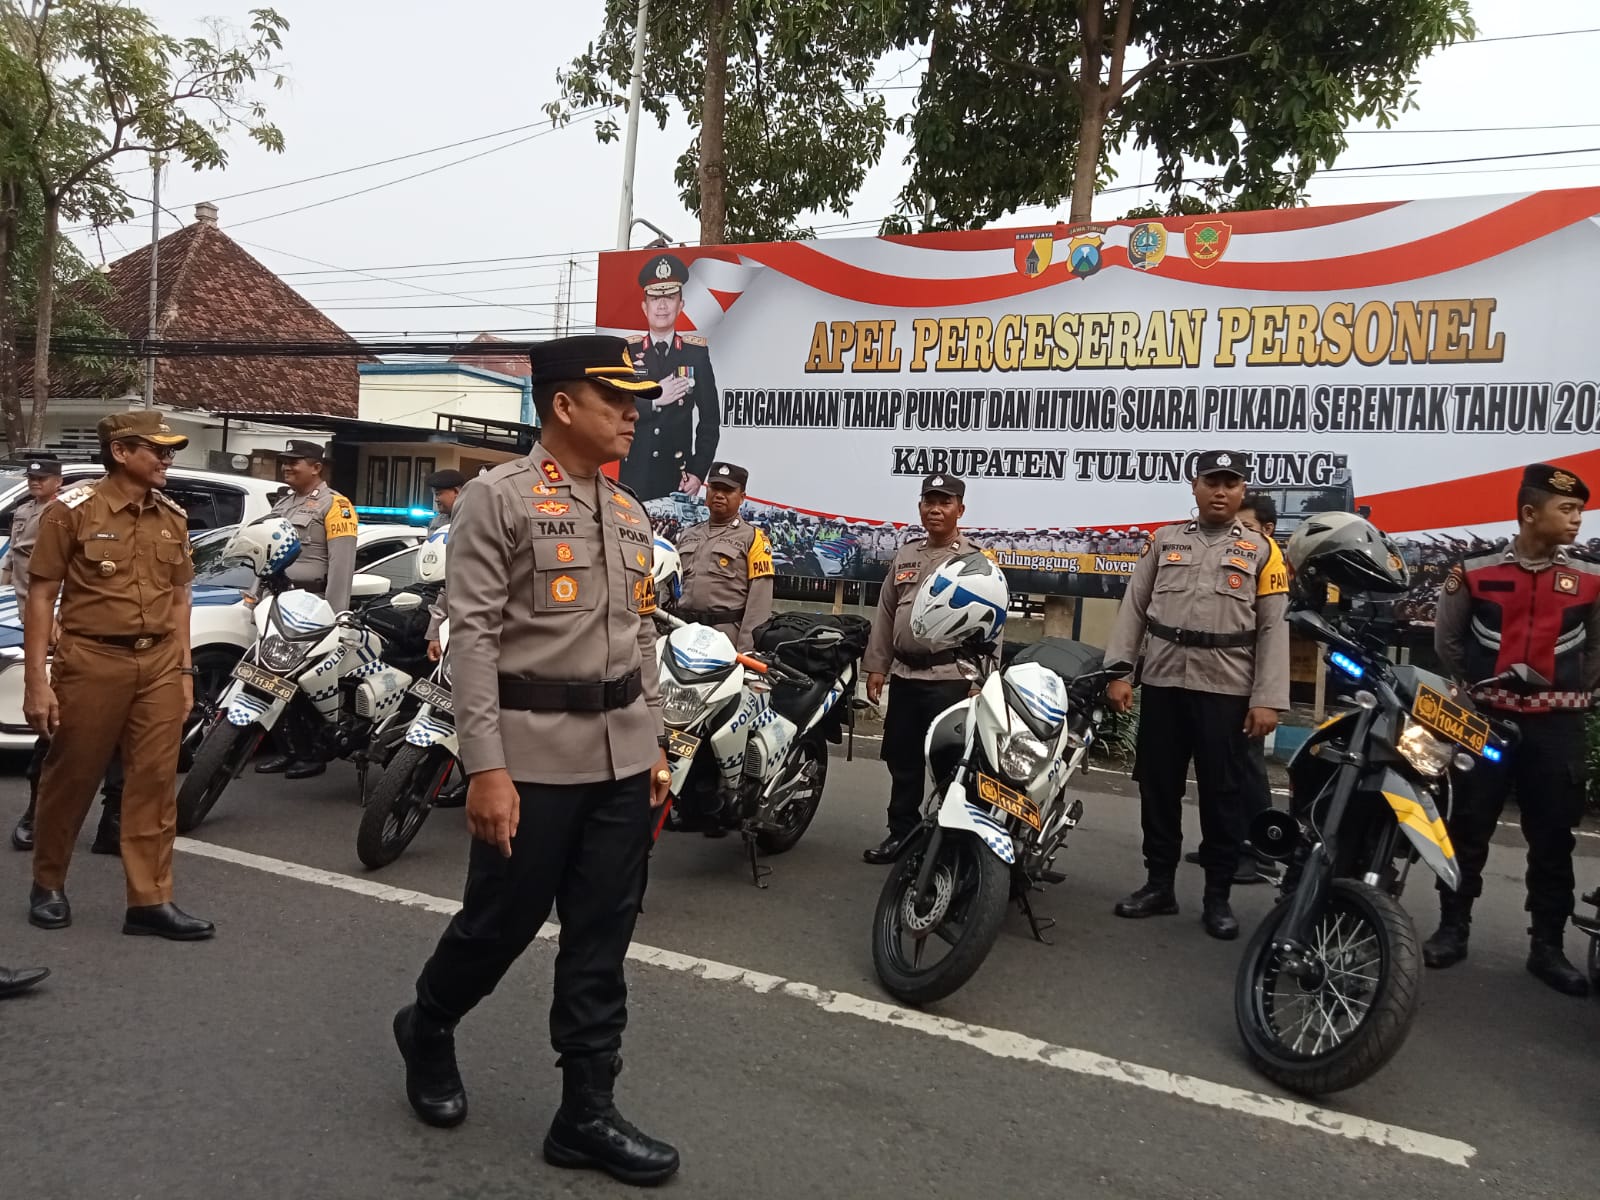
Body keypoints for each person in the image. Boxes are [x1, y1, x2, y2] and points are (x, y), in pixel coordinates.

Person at [391, 334, 679, 1187]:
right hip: (530, 758)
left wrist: (655, 737)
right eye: (615, 399)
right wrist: (485, 767)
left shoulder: (629, 511)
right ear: (563, 404)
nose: (632, 414)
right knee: (500, 924)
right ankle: (430, 1021)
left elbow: (643, 636)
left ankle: (584, 1113)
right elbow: (472, 637)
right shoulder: (497, 498)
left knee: (601, 934)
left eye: (635, 403)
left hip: (623, 756)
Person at [23, 411, 212, 940]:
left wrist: (183, 670)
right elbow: (40, 595)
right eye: (156, 450)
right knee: (72, 776)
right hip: (91, 660)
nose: (166, 458)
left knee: (153, 783)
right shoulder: (70, 511)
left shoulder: (172, 517)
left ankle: (149, 901)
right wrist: (37, 680)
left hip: (157, 663)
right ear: (122, 453)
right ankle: (49, 882)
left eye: (170, 450)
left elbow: (180, 598)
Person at [1426, 463, 1600, 996]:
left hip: (1557, 727)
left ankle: (1546, 947)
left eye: (1579, 511)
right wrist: (1482, 691)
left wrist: (1564, 693)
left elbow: (1596, 654)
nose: (1576, 520)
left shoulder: (1591, 579)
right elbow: (1448, 642)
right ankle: (1452, 928)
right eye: (1566, 509)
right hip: (1485, 723)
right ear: (1529, 513)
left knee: (1552, 837)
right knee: (1467, 829)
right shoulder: (1473, 572)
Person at [1103, 451, 1290, 940]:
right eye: (1212, 481)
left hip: (1226, 688)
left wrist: (1266, 698)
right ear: (1195, 486)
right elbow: (1133, 609)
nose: (1220, 491)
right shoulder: (1163, 542)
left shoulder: (1263, 552)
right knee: (1158, 787)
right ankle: (1159, 885)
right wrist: (1120, 672)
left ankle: (1217, 897)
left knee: (1222, 796)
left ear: (1243, 489)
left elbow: (1273, 630)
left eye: (1230, 482)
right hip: (1164, 682)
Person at [862, 473, 996, 864]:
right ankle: (901, 834)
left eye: (945, 502)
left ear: (960, 509)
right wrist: (876, 667)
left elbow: (992, 626)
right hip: (905, 676)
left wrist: (979, 681)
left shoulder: (975, 561)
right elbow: (886, 613)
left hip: (951, 680)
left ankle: (948, 845)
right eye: (928, 501)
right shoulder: (907, 555)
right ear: (920, 506)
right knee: (901, 760)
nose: (935, 509)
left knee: (951, 766)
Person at [1184, 490, 1281, 886]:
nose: (1240, 532)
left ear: (1268, 530)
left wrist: (1265, 696)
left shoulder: (1270, 562)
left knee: (1246, 771)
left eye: (1250, 526)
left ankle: (1257, 852)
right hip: (1214, 681)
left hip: (1246, 684)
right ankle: (1220, 846)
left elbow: (1272, 634)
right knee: (1223, 771)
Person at [252, 439, 359, 778]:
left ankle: (313, 753)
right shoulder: (283, 504)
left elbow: (342, 566)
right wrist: (254, 593)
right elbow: (265, 555)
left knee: (306, 682)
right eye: (285, 460)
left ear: (316, 467)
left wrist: (336, 615)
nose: (288, 466)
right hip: (277, 602)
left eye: (296, 461)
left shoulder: (336, 506)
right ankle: (288, 748)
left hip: (311, 606)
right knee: (272, 678)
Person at [619, 253, 719, 502]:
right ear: (645, 306)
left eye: (669, 297)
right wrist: (654, 400)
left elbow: (710, 422)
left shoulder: (695, 355)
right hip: (634, 478)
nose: (662, 306)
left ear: (681, 305)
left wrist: (697, 473)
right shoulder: (627, 353)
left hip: (677, 477)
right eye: (655, 298)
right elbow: (615, 409)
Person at [673, 461, 774, 653]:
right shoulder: (687, 535)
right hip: (683, 633)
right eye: (715, 488)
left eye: (727, 490)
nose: (719, 495)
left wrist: (746, 653)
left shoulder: (754, 539)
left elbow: (759, 604)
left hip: (725, 640)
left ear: (742, 497)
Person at [425, 468, 466, 534]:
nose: (436, 499)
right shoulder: (437, 521)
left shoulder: (472, 521)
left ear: (456, 492)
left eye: (438, 494)